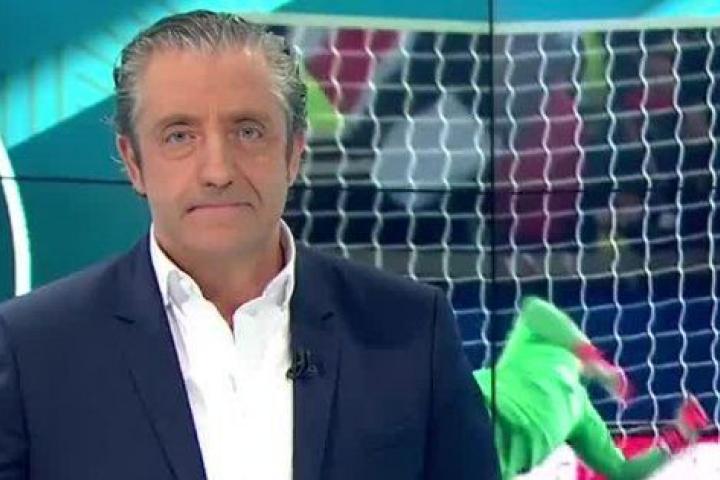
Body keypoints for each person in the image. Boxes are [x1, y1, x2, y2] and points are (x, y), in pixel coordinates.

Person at [0, 10, 498, 480]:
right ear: (133, 162)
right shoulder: (32, 348)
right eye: (179, 136)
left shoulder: (411, 329)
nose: (218, 171)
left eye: (248, 131)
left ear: (293, 152)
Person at [474, 296, 710, 479]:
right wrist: (595, 361)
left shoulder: (583, 414)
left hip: (487, 466)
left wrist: (678, 436)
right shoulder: (534, 341)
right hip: (476, 409)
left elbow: (622, 472)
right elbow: (534, 309)